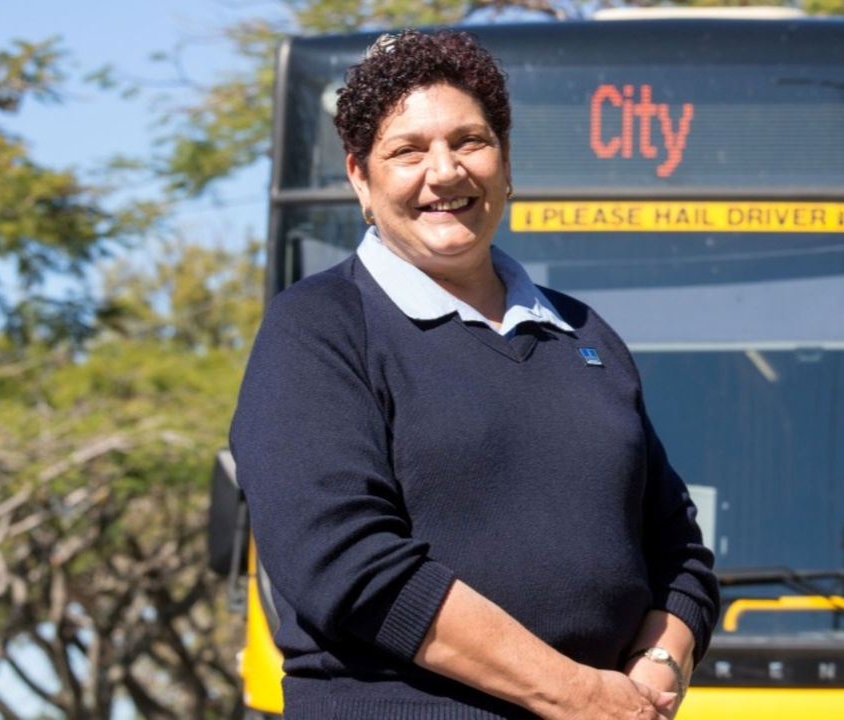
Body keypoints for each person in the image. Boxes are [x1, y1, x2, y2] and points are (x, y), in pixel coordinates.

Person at [230, 29, 718, 719]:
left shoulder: (583, 334)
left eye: (470, 142)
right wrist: (576, 694)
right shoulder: (318, 330)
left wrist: (662, 662)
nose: (446, 172)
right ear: (360, 179)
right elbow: (351, 566)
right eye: (407, 151)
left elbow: (681, 554)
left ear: (507, 162)